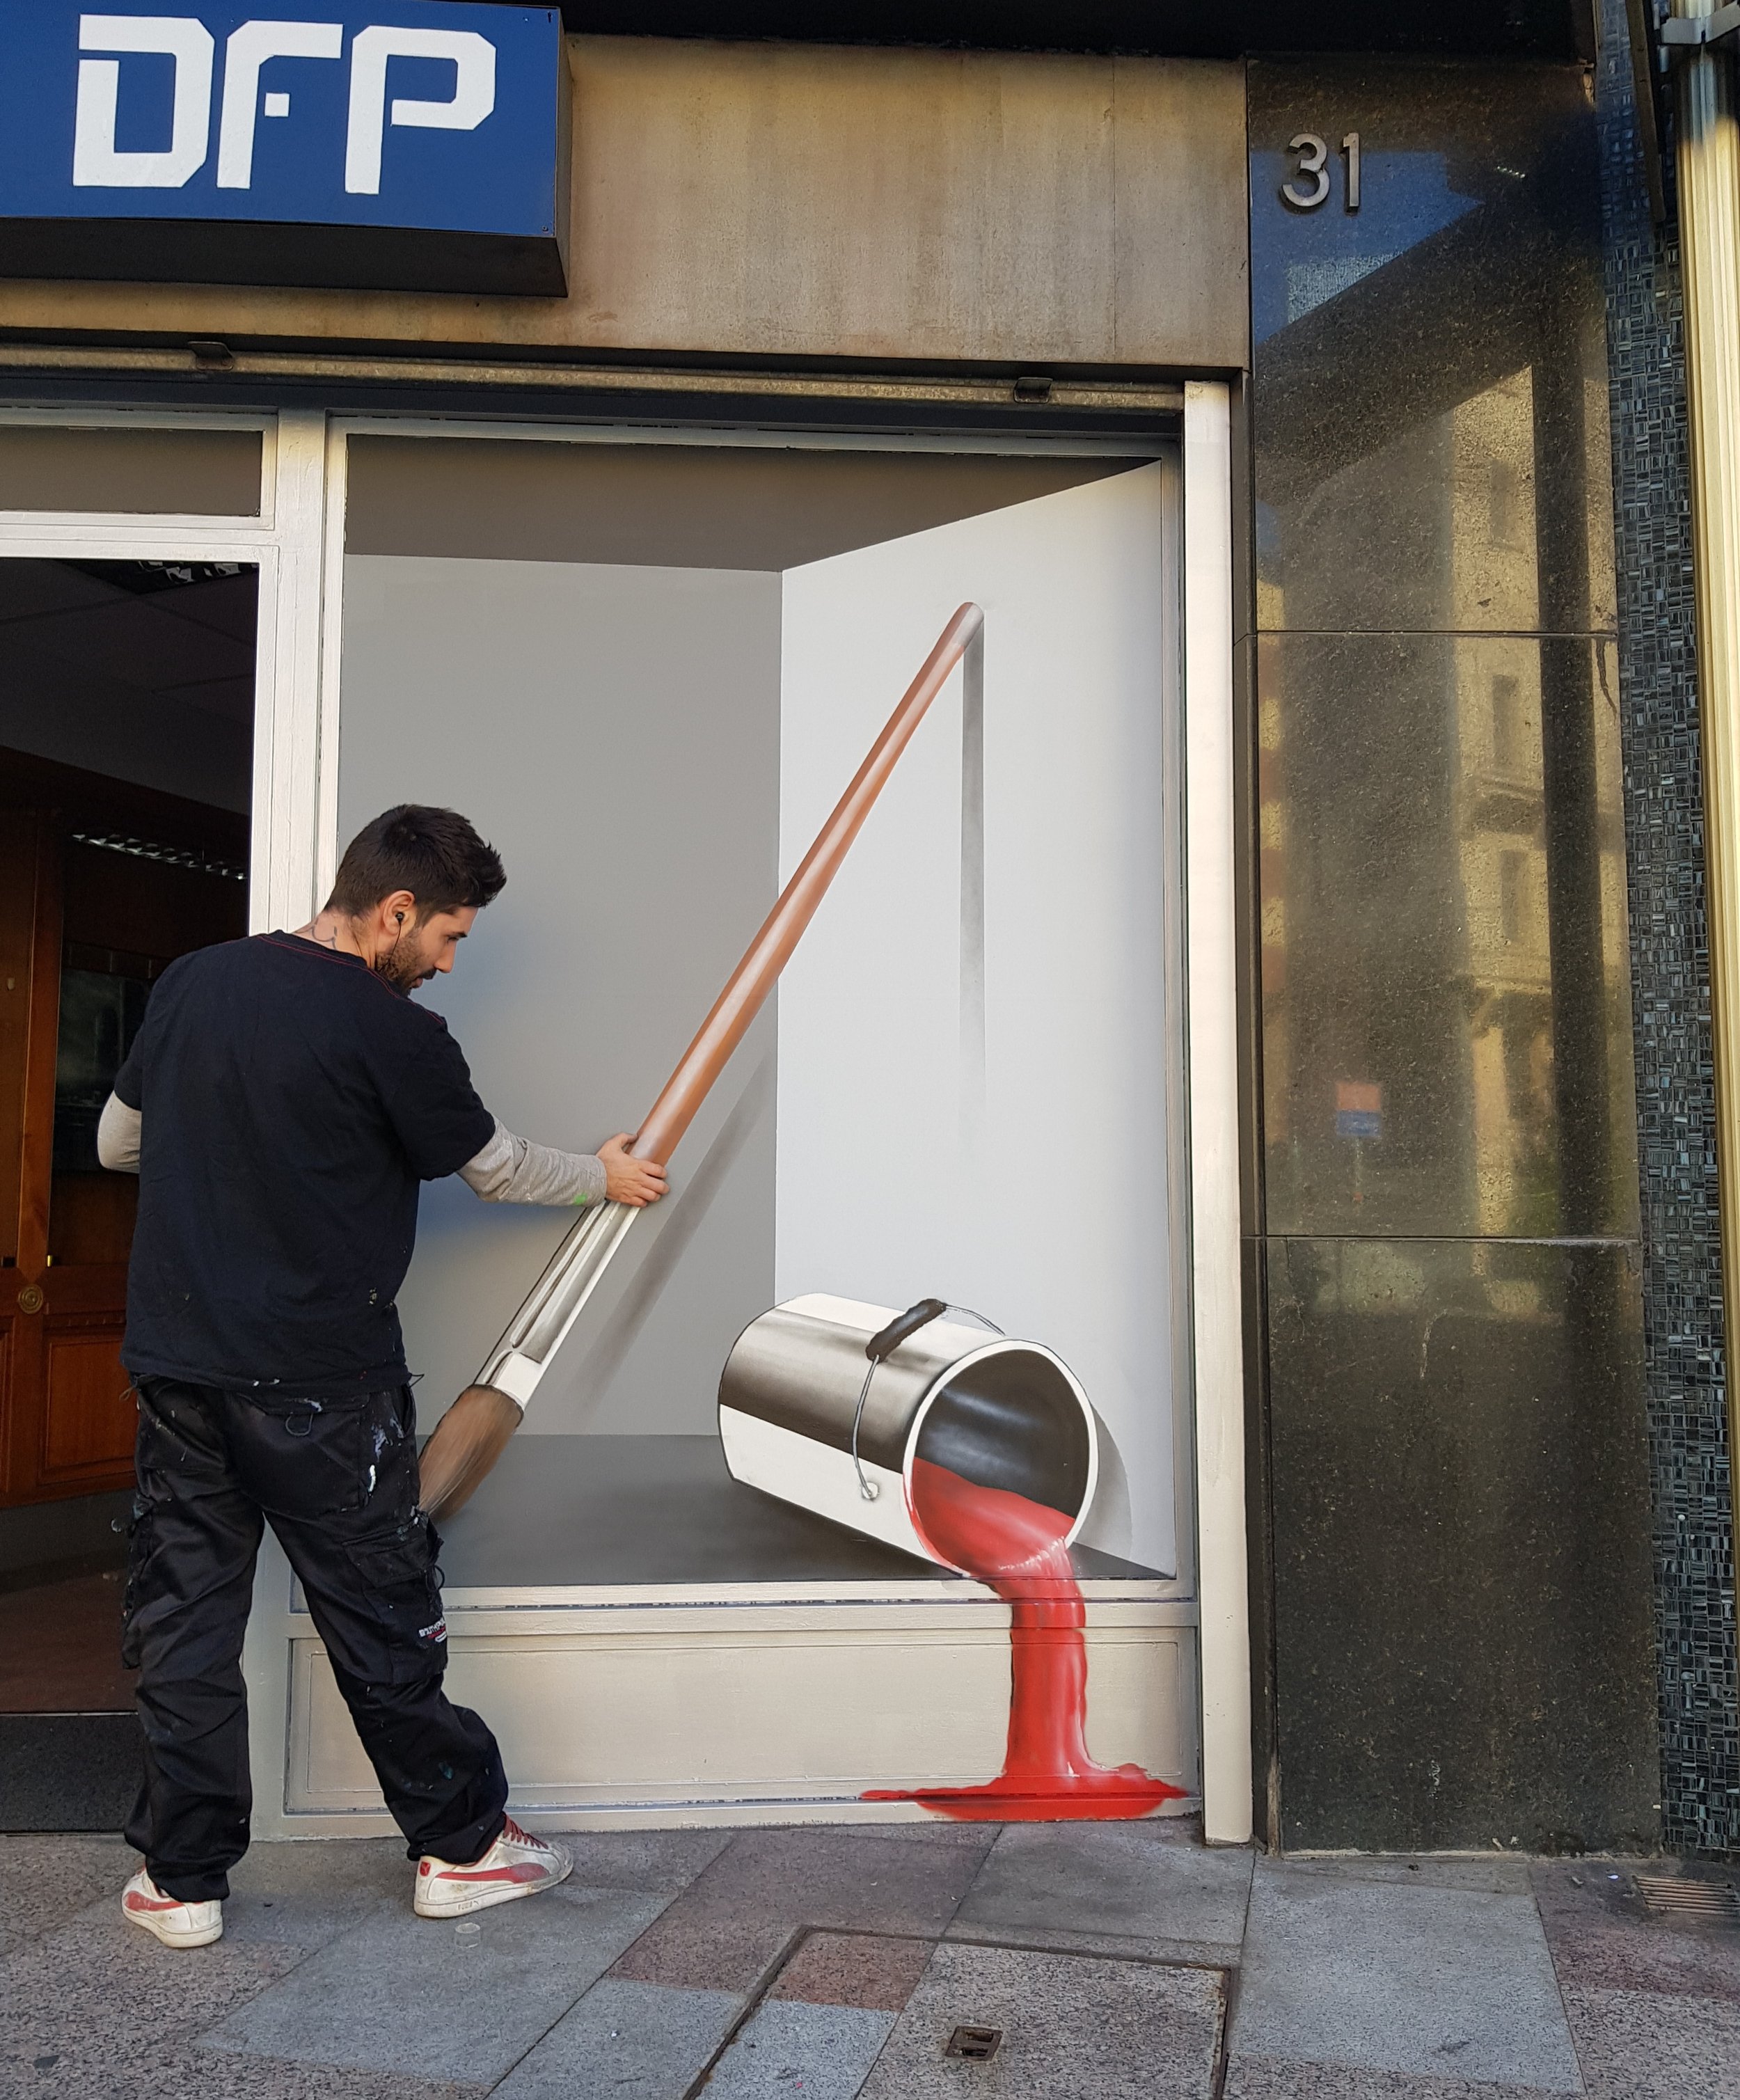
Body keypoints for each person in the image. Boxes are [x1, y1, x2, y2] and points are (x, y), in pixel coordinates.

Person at [97, 805, 666, 1951]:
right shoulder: (395, 1033)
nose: (449, 962)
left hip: (181, 1374)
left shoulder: (195, 982)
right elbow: (497, 1169)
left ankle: (182, 1880)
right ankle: (462, 1848)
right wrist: (601, 1177)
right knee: (382, 1619)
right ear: (396, 911)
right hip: (323, 1385)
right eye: (448, 936)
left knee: (185, 1624)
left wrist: (226, 1155)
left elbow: (118, 1145)